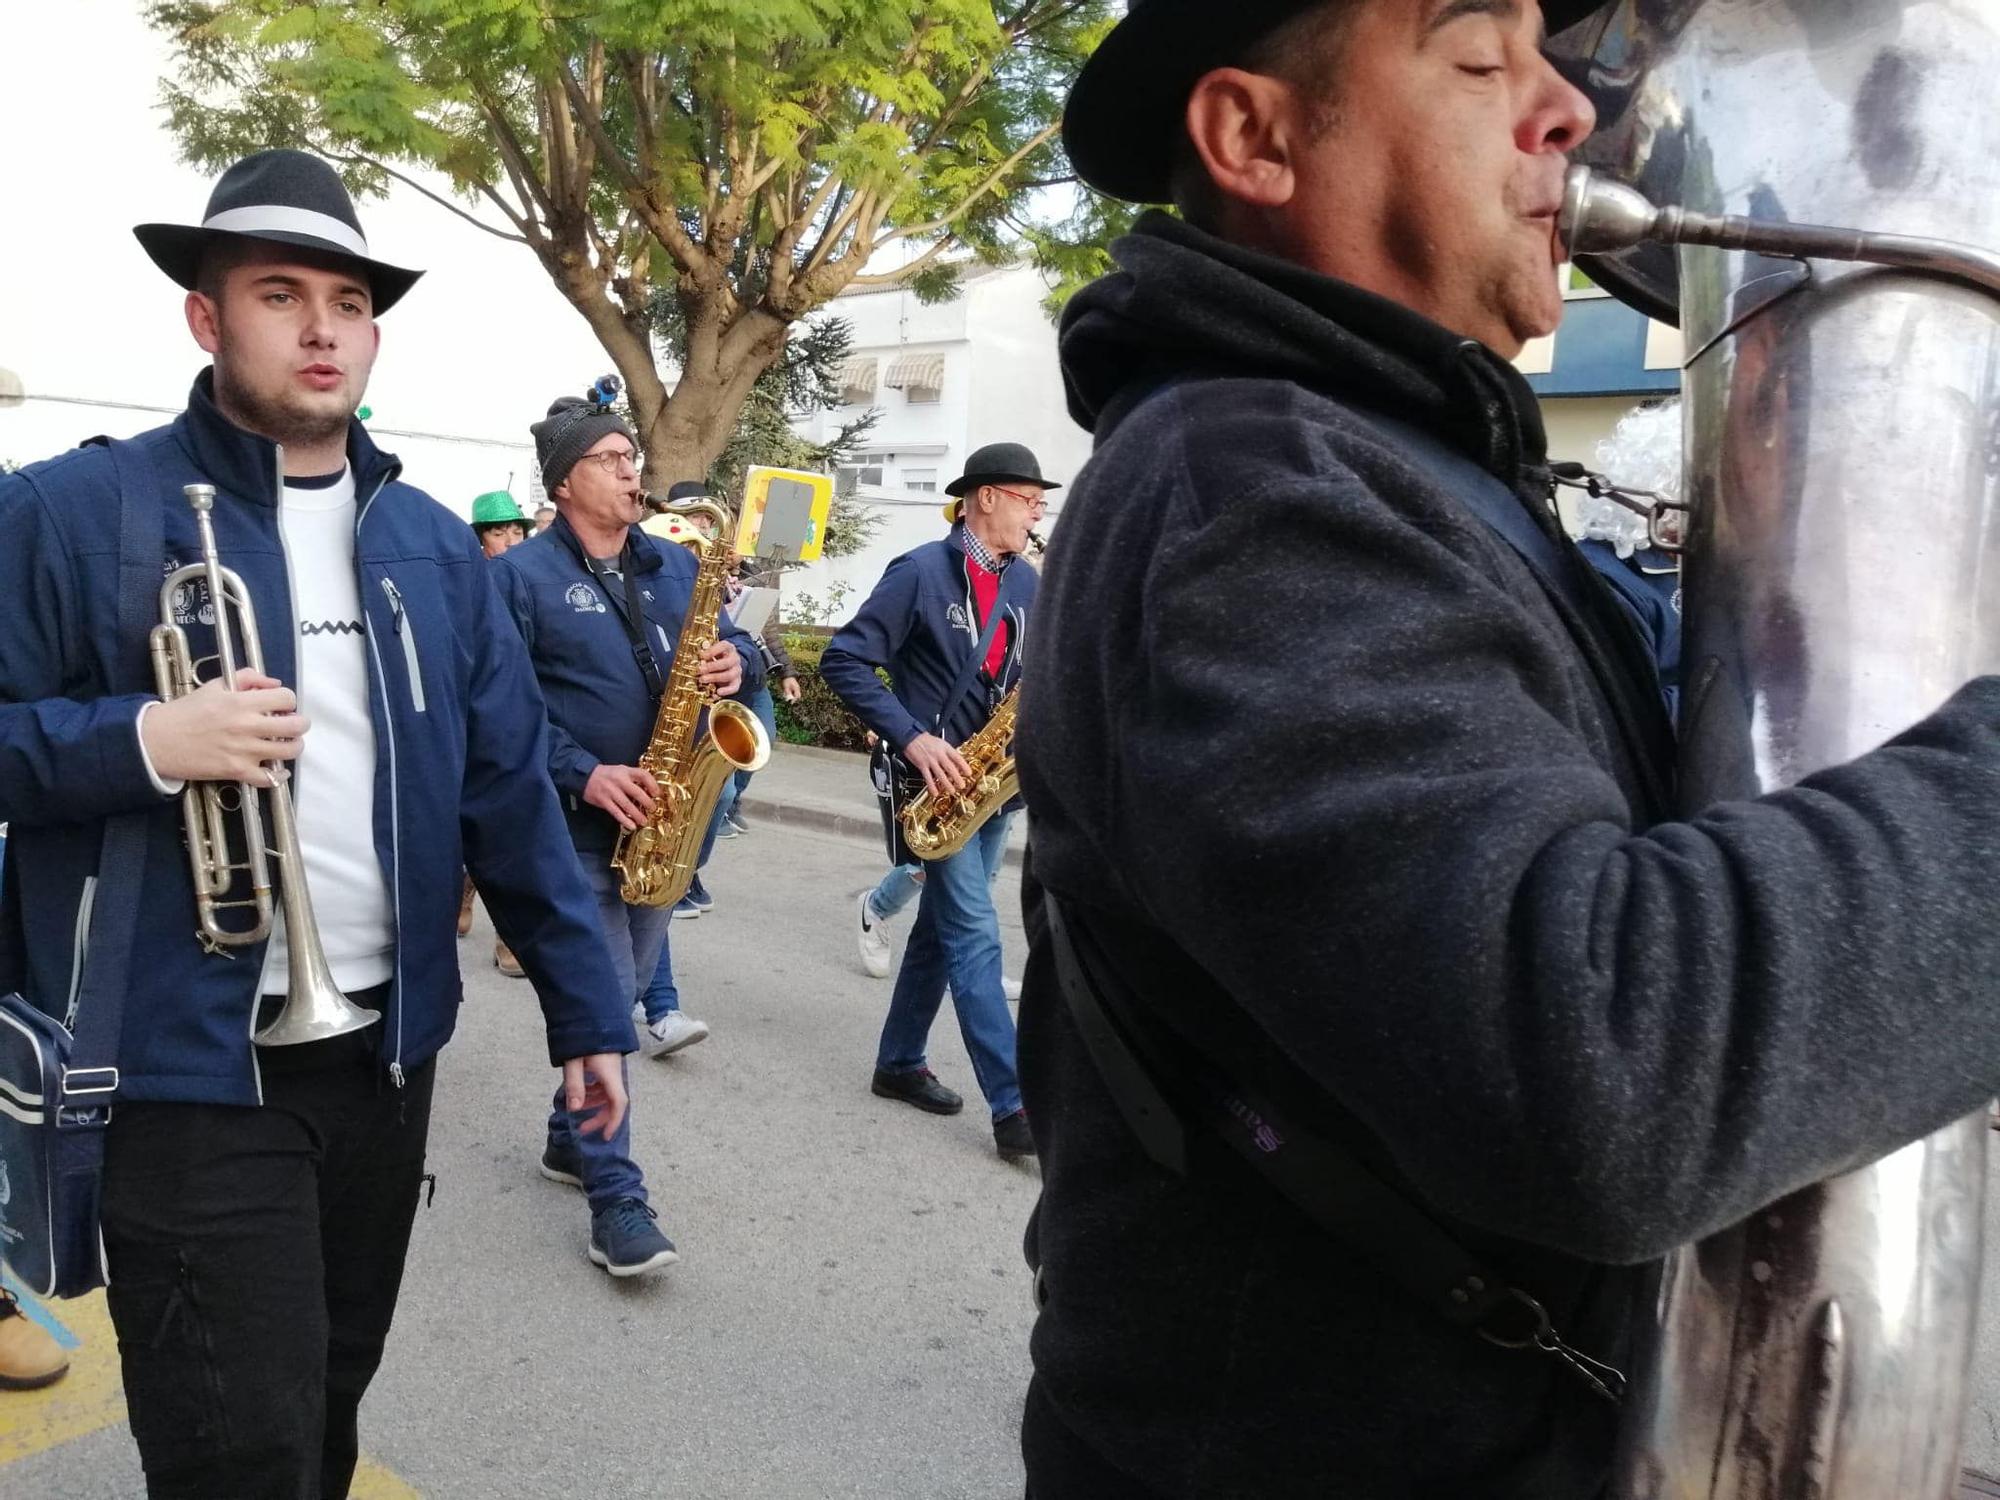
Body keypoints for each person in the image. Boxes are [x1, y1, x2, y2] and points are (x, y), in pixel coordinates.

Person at [1015, 3, 2000, 1497]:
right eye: (1482, 60)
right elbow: (1606, 1074)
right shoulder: (1255, 487)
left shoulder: (1403, 471)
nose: (1568, 115)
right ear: (1254, 139)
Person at [0, 149, 637, 1498]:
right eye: (278, 293)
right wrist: (141, 742)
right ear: (205, 316)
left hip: (382, 1065)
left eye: (346, 300)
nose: (320, 326)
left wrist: (586, 1014)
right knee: (245, 1450)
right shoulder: (67, 512)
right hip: (183, 1078)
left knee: (329, 1412)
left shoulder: (425, 544)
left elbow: (508, 792)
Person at [493, 402, 761, 1090]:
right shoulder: (518, 576)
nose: (628, 470)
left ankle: (568, 1134)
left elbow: (735, 642)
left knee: (623, 992)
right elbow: (498, 710)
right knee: (607, 1002)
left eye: (629, 456)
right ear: (562, 484)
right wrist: (584, 773)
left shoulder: (675, 563)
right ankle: (610, 1176)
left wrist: (737, 661)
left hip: (665, 821)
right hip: (578, 825)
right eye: (607, 459)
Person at [820, 442, 1051, 1160]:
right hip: (931, 783)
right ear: (984, 497)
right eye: (1027, 497)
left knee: (939, 932)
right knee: (976, 934)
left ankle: (898, 1062)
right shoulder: (920, 571)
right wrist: (913, 738)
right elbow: (845, 660)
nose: (1038, 510)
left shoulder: (1028, 586)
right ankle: (1015, 1105)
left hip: (987, 789)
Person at [461, 489, 534, 977]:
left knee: (519, 832)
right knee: (473, 822)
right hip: (477, 717)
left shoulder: (535, 576)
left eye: (516, 530)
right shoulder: (470, 581)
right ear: (481, 539)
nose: (509, 539)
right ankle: (460, 893)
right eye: (497, 530)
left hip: (527, 714)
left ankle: (510, 936)